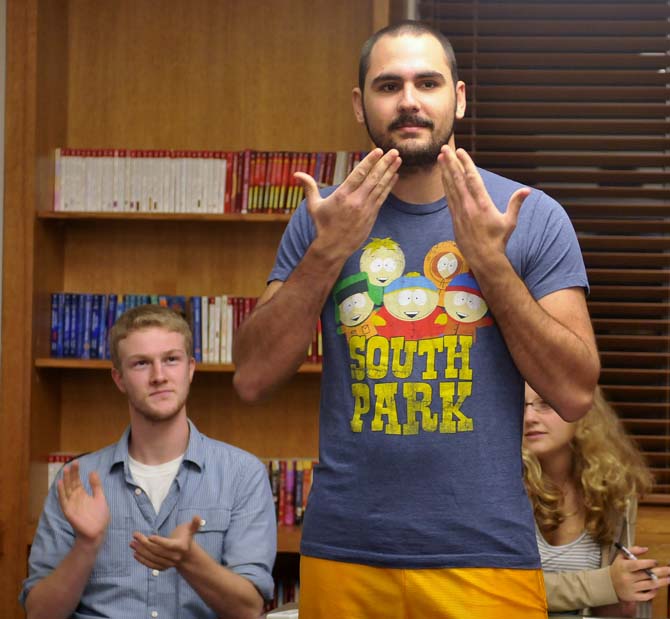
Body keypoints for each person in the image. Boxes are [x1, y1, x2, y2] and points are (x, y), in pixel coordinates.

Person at [233, 20, 600, 619]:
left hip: (487, 554)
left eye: (427, 82)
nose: (408, 100)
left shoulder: (528, 216)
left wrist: (490, 263)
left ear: (457, 97)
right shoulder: (323, 218)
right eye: (388, 85)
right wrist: (327, 251)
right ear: (361, 105)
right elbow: (251, 379)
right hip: (345, 549)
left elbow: (575, 392)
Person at [20, 305, 276, 619]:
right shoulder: (76, 479)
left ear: (190, 368)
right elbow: (39, 614)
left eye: (171, 359)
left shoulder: (242, 474)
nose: (159, 376)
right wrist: (86, 545)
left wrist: (189, 560)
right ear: (119, 378)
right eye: (141, 363)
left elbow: (249, 610)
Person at [523, 383, 670, 617]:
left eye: (546, 404)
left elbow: (604, 607)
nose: (529, 417)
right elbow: (496, 587)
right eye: (520, 407)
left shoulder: (613, 491)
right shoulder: (497, 488)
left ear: (581, 412)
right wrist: (606, 585)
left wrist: (626, 596)